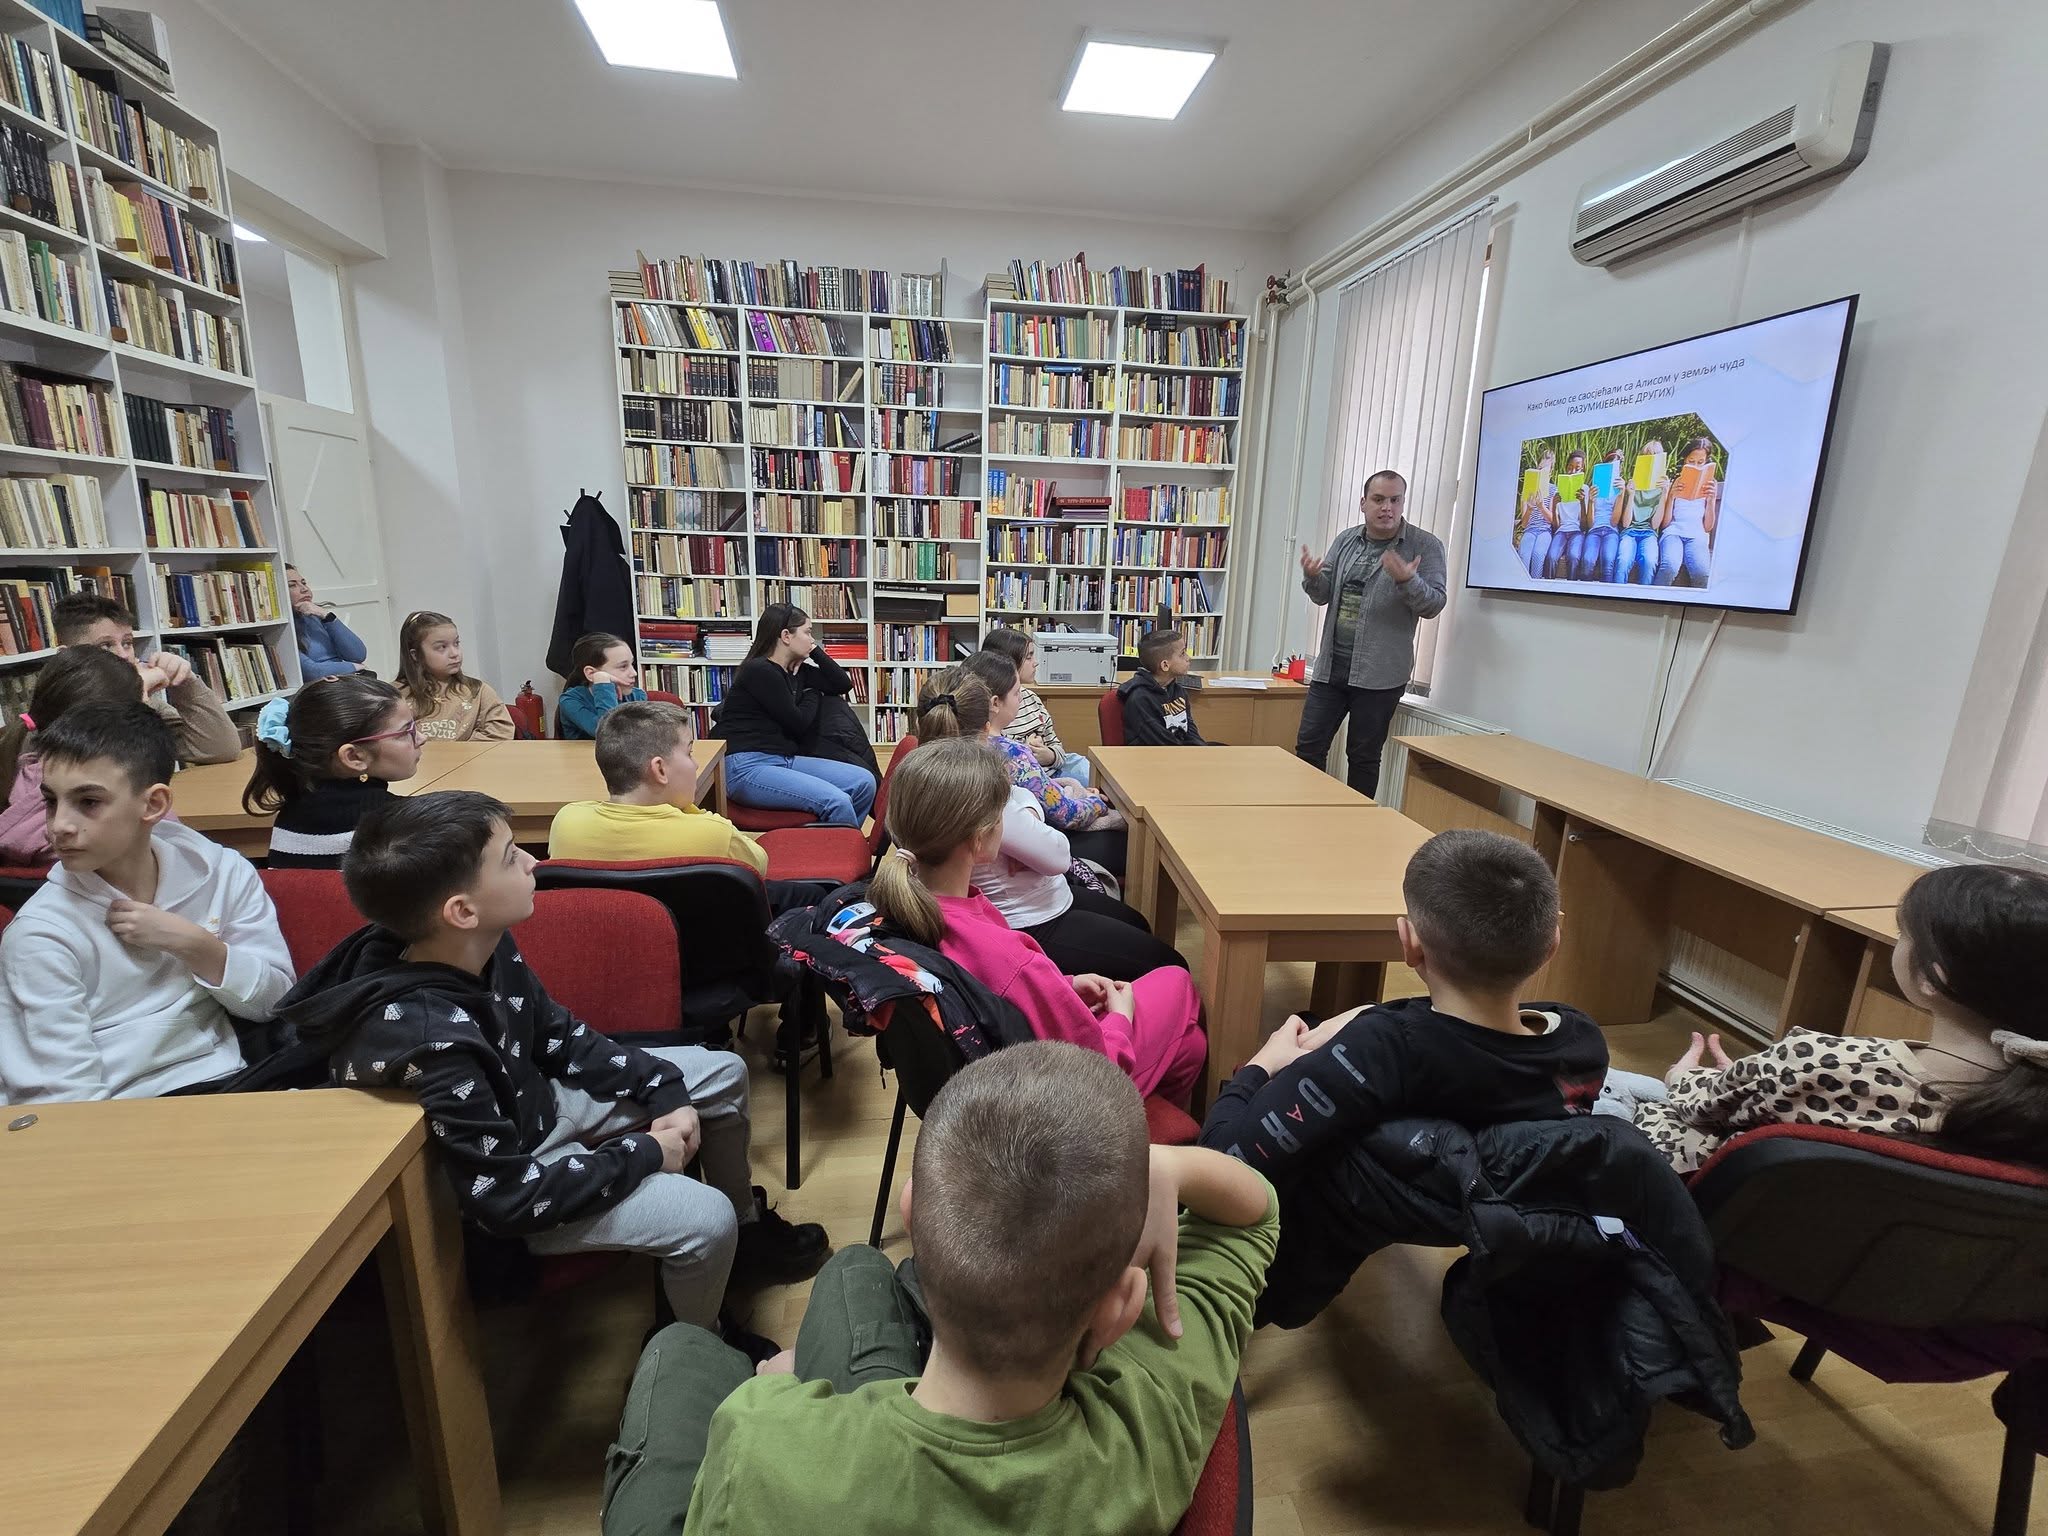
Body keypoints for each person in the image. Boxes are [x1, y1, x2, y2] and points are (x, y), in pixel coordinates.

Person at [599, 1041, 1277, 1536]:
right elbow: (1258, 1213)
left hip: (837, 1463)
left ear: (911, 1212)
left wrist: (777, 1385)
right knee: (856, 1271)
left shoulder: (763, 1440)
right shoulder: (1148, 1427)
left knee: (679, 1349)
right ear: (1121, 1308)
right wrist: (1159, 1163)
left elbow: (748, 1448)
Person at [279, 790, 830, 1342]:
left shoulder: (478, 942)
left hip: (535, 1105)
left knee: (723, 1073)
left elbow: (558, 1034)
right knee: (703, 1218)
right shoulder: (431, 1041)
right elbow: (504, 1198)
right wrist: (644, 1152)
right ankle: (696, 1343)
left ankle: (745, 1233)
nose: (532, 861)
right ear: (462, 910)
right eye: (510, 857)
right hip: (518, 1185)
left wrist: (661, 1086)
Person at [1200, 829, 1608, 1172]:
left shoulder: (1377, 1053)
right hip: (1473, 1206)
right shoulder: (1583, 1044)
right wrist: (1372, 1015)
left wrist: (1260, 1065)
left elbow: (1223, 1157)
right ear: (1552, 945)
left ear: (1409, 944)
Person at [1633, 863, 2048, 1174]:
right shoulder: (2029, 1107)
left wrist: (1686, 1078)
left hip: (1725, 1218)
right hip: (1875, 1250)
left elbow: (1700, 1108)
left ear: (1931, 977)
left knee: (1630, 1095)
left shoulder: (1817, 1064)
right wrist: (1755, 1082)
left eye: (1903, 934)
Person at [867, 738, 1204, 1103]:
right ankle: (1119, 1128)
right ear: (979, 840)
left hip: (989, 1080)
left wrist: (1066, 985)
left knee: (1191, 1045)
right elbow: (1099, 1066)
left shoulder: (900, 909)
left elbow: (1012, 998)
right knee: (1178, 979)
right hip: (1059, 1094)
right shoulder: (1009, 956)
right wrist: (1121, 1020)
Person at [0, 702, 293, 1102]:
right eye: (51, 801)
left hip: (228, 1084)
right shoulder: (40, 935)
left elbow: (275, 1002)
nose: (59, 826)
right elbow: (67, 1101)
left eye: (88, 802)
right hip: (120, 1110)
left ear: (153, 805)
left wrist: (195, 945)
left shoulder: (222, 871)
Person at [914, 668, 1183, 980]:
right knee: (1172, 964)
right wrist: (1030, 810)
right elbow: (1057, 856)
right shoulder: (982, 790)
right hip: (1027, 919)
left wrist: (1027, 811)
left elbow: (1028, 822)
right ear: (987, 726)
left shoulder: (919, 776)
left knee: (1137, 923)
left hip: (1025, 900)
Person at [1294, 469, 1447, 799]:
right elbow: (1322, 595)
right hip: (1331, 668)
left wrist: (1408, 580)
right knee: (1308, 747)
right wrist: (1312, 577)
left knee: (1362, 757)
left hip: (1380, 675)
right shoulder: (1346, 540)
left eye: (1395, 500)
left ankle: (1357, 824)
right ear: (1363, 503)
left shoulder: (1424, 546)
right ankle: (1306, 814)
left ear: (1403, 503)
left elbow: (1434, 604)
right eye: (1379, 499)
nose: (1387, 507)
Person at [0, 646, 199, 864]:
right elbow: (186, 862)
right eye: (144, 703)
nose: (58, 826)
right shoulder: (129, 823)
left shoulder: (24, 771)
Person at [549, 700, 767, 874]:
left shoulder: (566, 822)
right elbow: (760, 865)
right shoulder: (715, 834)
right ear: (660, 769)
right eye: (689, 753)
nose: (695, 764)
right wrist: (688, 807)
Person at [959, 649, 1125, 875]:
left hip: (981, 857)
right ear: (995, 703)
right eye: (1017, 693)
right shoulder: (1012, 754)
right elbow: (1066, 815)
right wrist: (1095, 803)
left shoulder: (949, 741)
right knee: (1128, 844)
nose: (1021, 698)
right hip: (1024, 852)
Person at [719, 604, 876, 828]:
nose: (812, 640)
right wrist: (813, 693)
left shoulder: (797, 671)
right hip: (746, 766)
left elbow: (843, 684)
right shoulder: (760, 670)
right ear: (786, 636)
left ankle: (830, 842)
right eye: (808, 632)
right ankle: (838, 847)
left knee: (864, 782)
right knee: (838, 802)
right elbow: (798, 722)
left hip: (783, 759)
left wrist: (815, 653)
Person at [243, 674, 422, 869]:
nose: (421, 738)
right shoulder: (405, 824)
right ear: (354, 757)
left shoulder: (288, 817)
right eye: (406, 732)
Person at [52, 592, 240, 765]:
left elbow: (221, 749)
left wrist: (185, 682)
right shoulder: (53, 713)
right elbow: (113, 770)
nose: (123, 655)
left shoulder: (150, 705)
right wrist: (136, 694)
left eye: (127, 643)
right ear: (66, 656)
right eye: (105, 645)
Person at [979, 626, 1089, 785]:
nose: (1035, 663)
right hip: (1027, 777)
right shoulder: (993, 712)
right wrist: (1027, 751)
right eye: (1029, 657)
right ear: (1006, 662)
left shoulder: (1032, 699)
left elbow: (1056, 745)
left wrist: (1050, 755)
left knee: (1084, 766)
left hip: (1052, 767)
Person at [394, 609, 515, 742]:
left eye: (456, 643)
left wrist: (462, 752)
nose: (455, 653)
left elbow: (501, 733)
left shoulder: (477, 691)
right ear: (415, 655)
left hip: (470, 756)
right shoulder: (394, 696)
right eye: (442, 647)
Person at [1117, 627, 1211, 746]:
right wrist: (1192, 754)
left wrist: (1202, 750)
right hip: (1158, 754)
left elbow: (1190, 730)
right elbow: (1162, 742)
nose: (1188, 658)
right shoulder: (1140, 699)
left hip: (1182, 751)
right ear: (1165, 665)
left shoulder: (1178, 690)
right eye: (1182, 654)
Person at [1652, 436, 1719, 589]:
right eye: (1691, 461)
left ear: (1707, 462)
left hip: (1697, 535)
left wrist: (1711, 500)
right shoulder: (1677, 482)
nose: (1695, 466)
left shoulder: (1710, 485)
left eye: (1700, 462)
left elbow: (1708, 527)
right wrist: (1671, 496)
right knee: (1669, 567)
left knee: (1702, 573)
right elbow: (1665, 524)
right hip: (1673, 533)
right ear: (1685, 461)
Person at [557, 632, 649, 740]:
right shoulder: (570, 701)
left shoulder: (638, 696)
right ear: (591, 673)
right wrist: (603, 682)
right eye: (623, 666)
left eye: (632, 664)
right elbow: (608, 734)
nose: (634, 673)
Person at [288, 564, 368, 681]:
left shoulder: (314, 615)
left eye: (304, 583)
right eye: (292, 585)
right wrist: (354, 667)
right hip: (321, 685)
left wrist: (327, 616)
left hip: (343, 679)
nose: (304, 589)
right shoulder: (283, 628)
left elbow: (358, 655)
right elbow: (312, 672)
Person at [1614, 439, 1667, 585]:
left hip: (1649, 533)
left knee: (1649, 562)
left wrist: (1664, 493)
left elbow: (1655, 524)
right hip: (1629, 532)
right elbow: (1626, 524)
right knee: (1623, 561)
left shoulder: (1661, 487)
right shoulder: (1633, 483)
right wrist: (1631, 494)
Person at [1574, 450, 1628, 582]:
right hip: (1594, 531)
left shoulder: (1619, 489)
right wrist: (1591, 501)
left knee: (1608, 561)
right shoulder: (1595, 487)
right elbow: (1590, 524)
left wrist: (1621, 495)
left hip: (1611, 531)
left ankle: (1605, 595)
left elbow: (1614, 522)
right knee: (1587, 561)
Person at [1543, 450, 1593, 579]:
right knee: (1551, 557)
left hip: (1577, 532)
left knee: (1574, 557)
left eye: (1577, 468)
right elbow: (1556, 526)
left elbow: (1584, 526)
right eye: (1570, 468)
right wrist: (1554, 505)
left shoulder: (1585, 489)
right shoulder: (1558, 490)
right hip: (1561, 531)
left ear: (1583, 470)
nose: (1572, 471)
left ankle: (1572, 588)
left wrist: (1582, 502)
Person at [1516, 449, 1558, 578]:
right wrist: (1529, 509)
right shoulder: (1528, 489)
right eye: (1540, 468)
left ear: (1550, 471)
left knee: (1538, 555)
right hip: (1530, 530)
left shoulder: (1553, 490)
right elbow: (1524, 524)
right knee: (1524, 556)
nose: (1542, 472)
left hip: (1545, 531)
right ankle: (1521, 585)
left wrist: (1541, 507)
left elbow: (1552, 520)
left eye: (1545, 470)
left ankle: (1535, 584)